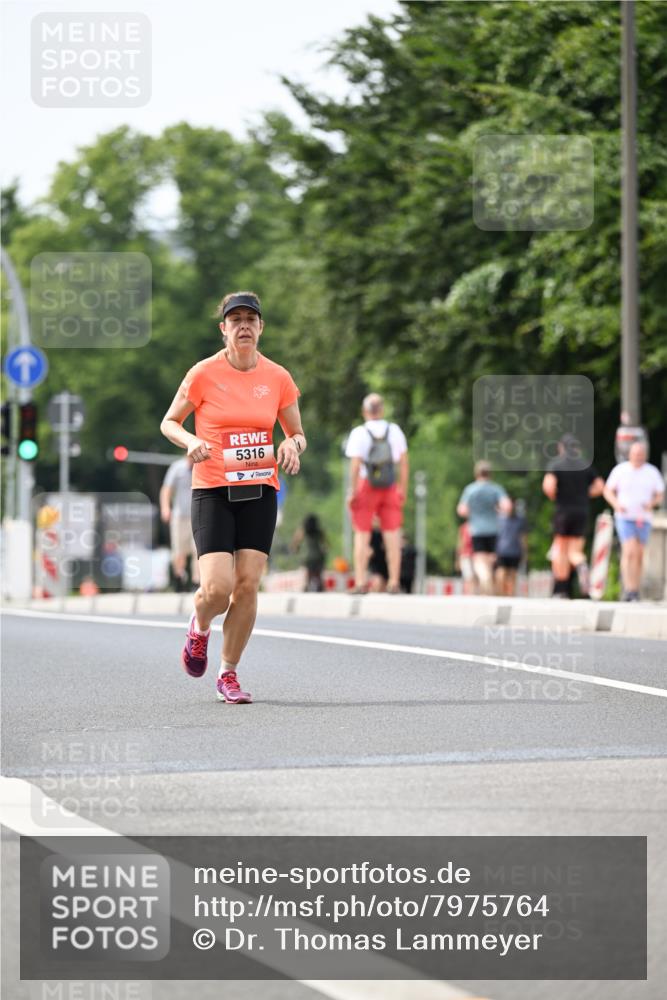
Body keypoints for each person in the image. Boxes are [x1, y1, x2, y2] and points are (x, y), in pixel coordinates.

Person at [160, 290, 306, 703]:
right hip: (213, 489)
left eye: (251, 319)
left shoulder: (278, 377)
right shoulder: (203, 373)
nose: (244, 326)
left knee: (247, 585)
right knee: (217, 590)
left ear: (261, 328)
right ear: (223, 329)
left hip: (259, 488)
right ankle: (200, 627)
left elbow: (296, 431)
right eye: (235, 320)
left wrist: (292, 445)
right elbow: (169, 422)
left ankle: (228, 673)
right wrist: (189, 441)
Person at [345, 393, 409, 594]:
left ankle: (361, 581)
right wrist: (402, 490)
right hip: (389, 487)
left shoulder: (359, 433)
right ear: (381, 410)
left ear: (365, 411)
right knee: (392, 535)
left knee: (362, 535)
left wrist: (352, 491)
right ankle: (394, 581)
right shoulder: (394, 430)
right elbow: (404, 463)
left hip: (366, 486)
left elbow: (355, 465)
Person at [542, 434, 604, 598]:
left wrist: (557, 496)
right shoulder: (585, 465)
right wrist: (584, 494)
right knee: (575, 550)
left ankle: (561, 590)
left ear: (561, 448)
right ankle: (581, 565)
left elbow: (549, 486)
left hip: (563, 511)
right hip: (582, 511)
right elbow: (600, 486)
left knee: (560, 549)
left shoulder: (556, 464)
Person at [603, 441, 664, 601]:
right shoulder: (620, 470)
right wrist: (617, 504)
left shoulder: (651, 471)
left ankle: (635, 589)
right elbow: (607, 490)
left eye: (641, 455)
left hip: (643, 518)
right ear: (630, 454)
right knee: (629, 551)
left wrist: (651, 504)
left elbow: (660, 494)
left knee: (639, 554)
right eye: (636, 454)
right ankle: (628, 588)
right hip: (625, 517)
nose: (638, 457)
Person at [456, 461, 511, 595]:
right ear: (490, 474)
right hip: (493, 529)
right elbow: (507, 506)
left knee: (480, 559)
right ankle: (489, 583)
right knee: (491, 558)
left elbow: (461, 510)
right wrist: (497, 511)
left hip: (477, 529)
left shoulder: (470, 489)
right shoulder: (496, 489)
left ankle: (485, 579)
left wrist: (473, 513)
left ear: (476, 473)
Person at [160, 455, 200, 591]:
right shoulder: (177, 468)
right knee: (179, 551)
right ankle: (179, 578)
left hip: (198, 515)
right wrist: (165, 508)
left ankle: (196, 582)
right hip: (180, 516)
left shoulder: (201, 467)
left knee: (198, 551)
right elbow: (167, 489)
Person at [494, 496, 527, 596]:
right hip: (501, 551)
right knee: (501, 574)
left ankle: (510, 595)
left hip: (515, 551)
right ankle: (501, 595)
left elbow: (523, 537)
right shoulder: (498, 519)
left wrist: (525, 552)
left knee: (513, 574)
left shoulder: (520, 520)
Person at [291, 514, 327, 592]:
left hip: (307, 557)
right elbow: (326, 545)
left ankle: (306, 587)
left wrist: (296, 550)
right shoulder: (319, 532)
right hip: (319, 557)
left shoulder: (303, 531)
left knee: (308, 576)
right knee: (318, 575)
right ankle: (321, 587)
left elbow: (295, 543)